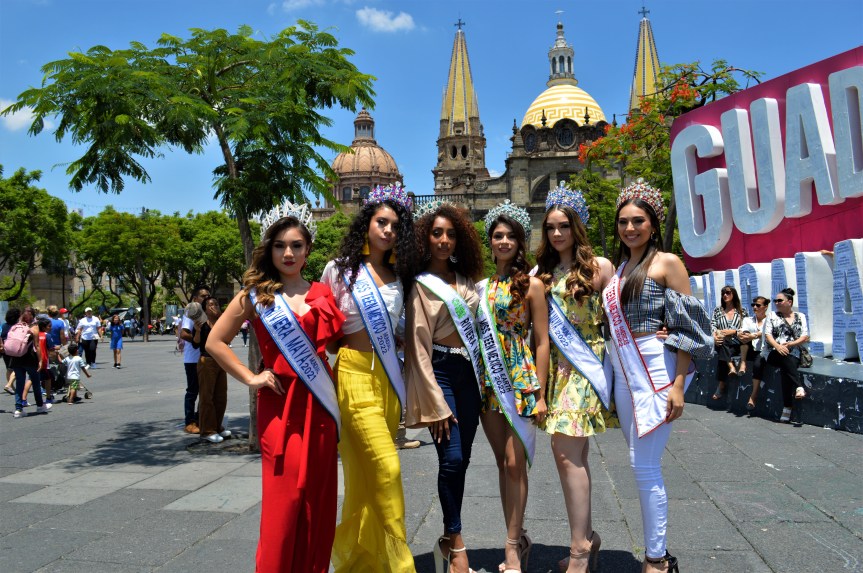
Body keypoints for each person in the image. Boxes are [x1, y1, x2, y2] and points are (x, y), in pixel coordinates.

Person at [208, 202, 345, 572]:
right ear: (269, 249)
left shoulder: (322, 293)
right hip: (279, 408)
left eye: (296, 245)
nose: (288, 253)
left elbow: (336, 346)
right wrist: (251, 377)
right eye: (280, 245)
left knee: (317, 504)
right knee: (283, 507)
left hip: (319, 405)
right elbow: (215, 342)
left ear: (308, 249)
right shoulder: (256, 295)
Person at [603, 179, 713, 572]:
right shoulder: (620, 269)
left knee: (644, 466)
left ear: (653, 224)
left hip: (656, 369)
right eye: (623, 222)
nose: (629, 228)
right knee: (638, 461)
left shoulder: (668, 263)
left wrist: (679, 385)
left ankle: (657, 558)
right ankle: (655, 553)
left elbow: (689, 327)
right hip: (624, 371)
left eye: (638, 221)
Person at [320, 183, 418, 572]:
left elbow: (403, 328)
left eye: (395, 226)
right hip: (353, 374)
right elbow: (325, 330)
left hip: (388, 381)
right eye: (381, 222)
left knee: (364, 478)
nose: (388, 230)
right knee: (387, 468)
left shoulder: (400, 275)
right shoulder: (339, 270)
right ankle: (400, 565)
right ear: (366, 223)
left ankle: (362, 563)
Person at [535, 184, 616, 573]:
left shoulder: (599, 267)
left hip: (586, 367)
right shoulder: (542, 273)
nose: (556, 233)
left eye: (564, 226)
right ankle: (586, 537)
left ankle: (580, 548)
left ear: (576, 226)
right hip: (558, 371)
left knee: (566, 453)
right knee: (573, 456)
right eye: (550, 227)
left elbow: (620, 319)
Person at [404, 202, 485, 573]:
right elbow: (418, 346)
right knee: (450, 459)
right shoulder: (420, 285)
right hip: (440, 373)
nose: (444, 240)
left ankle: (448, 540)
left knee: (462, 460)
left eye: (451, 234)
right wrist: (435, 401)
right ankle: (456, 541)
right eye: (437, 233)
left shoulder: (465, 279)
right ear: (426, 237)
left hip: (470, 375)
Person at [478, 200, 549, 573]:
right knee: (501, 464)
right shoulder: (483, 287)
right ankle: (517, 537)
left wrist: (541, 393)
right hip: (489, 380)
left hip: (520, 378)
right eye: (498, 235)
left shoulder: (532, 285)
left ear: (521, 242)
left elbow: (542, 341)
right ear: (490, 241)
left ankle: (511, 549)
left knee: (514, 463)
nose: (504, 241)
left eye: (511, 236)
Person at [764, 288, 810, 423]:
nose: (776, 303)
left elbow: (805, 336)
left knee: (786, 368)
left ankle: (787, 407)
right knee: (785, 358)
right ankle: (799, 387)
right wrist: (778, 346)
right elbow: (768, 335)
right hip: (773, 352)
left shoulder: (800, 316)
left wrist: (790, 344)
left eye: (780, 300)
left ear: (789, 302)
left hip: (793, 352)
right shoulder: (772, 315)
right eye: (775, 301)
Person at [192, 296, 229, 443]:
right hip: (206, 360)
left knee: (221, 396)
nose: (214, 306)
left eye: (216, 304)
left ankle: (217, 426)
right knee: (207, 397)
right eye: (210, 304)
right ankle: (207, 430)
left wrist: (221, 316)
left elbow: (229, 338)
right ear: (205, 309)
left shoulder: (222, 322)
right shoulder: (202, 323)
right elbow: (195, 344)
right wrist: (197, 331)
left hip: (221, 360)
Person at [180, 285, 211, 434]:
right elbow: (183, 334)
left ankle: (200, 419)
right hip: (192, 359)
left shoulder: (207, 313)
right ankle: (189, 422)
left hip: (206, 357)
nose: (207, 298)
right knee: (193, 391)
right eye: (203, 296)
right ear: (195, 299)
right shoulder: (191, 312)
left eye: (208, 296)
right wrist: (197, 340)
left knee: (206, 391)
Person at [11, 311, 53, 418]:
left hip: (16, 358)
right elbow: (37, 345)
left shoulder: (16, 327)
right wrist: (40, 360)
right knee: (35, 382)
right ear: (33, 318)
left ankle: (18, 409)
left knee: (19, 384)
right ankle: (40, 405)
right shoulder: (34, 327)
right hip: (30, 359)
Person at [710, 285, 748, 400]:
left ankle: (721, 385)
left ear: (733, 294)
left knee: (723, 355)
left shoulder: (742, 311)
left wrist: (734, 331)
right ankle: (731, 367)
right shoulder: (718, 310)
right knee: (722, 342)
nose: (725, 295)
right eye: (723, 293)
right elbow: (712, 326)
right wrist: (715, 336)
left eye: (727, 293)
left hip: (737, 342)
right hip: (722, 341)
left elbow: (747, 328)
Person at [740, 296, 772, 411]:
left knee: (758, 365)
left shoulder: (770, 320)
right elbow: (744, 331)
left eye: (758, 305)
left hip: (762, 349)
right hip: (749, 348)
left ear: (765, 307)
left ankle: (753, 395)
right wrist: (744, 335)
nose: (755, 307)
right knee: (743, 340)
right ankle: (743, 363)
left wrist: (753, 335)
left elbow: (767, 333)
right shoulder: (747, 320)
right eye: (753, 305)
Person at [2, 308, 20, 395]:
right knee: (17, 367)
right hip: (14, 348)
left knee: (9, 368)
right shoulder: (17, 326)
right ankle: (9, 385)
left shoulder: (3, 326)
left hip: (4, 349)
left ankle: (11, 387)